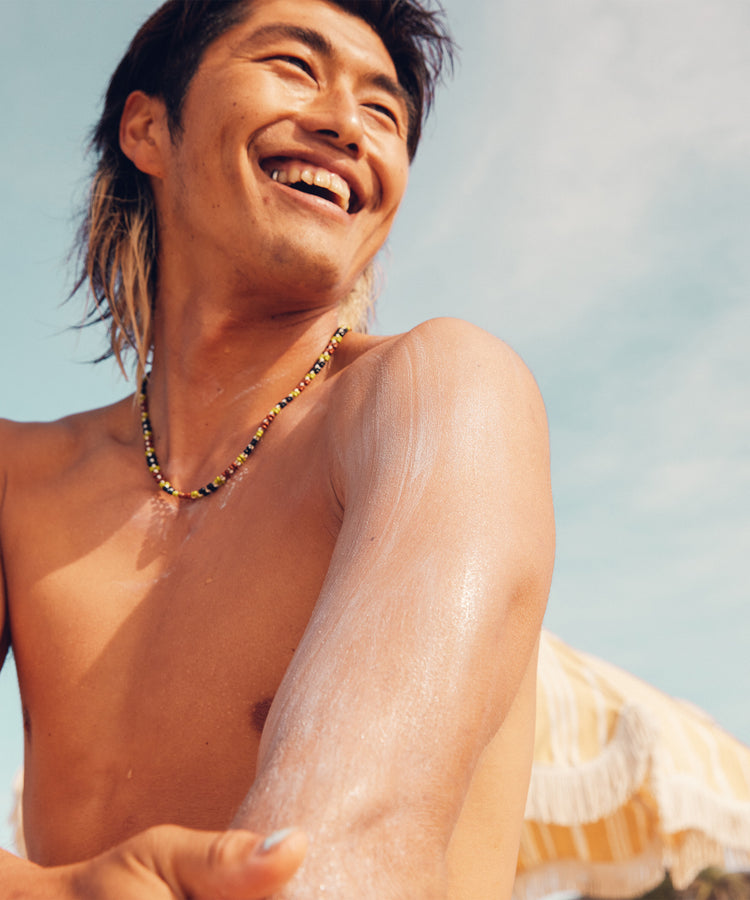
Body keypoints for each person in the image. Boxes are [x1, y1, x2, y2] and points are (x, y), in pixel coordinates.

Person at [0, 0, 554, 897]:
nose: (346, 127)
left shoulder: (440, 394)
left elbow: (352, 849)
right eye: (295, 66)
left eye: (385, 115)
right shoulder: (17, 481)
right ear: (147, 127)